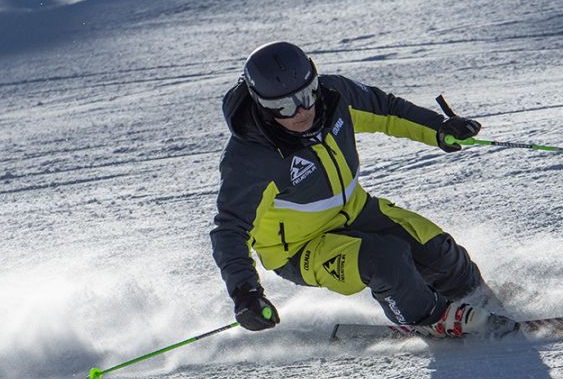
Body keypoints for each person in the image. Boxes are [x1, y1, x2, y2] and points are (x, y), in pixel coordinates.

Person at [210, 41, 515, 338]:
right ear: (261, 104)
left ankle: (477, 298)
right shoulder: (251, 159)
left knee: (438, 251)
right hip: (298, 248)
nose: (301, 111)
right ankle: (428, 317)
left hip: (356, 209)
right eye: (283, 106)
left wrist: (439, 129)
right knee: (385, 260)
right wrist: (245, 291)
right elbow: (230, 229)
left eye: (307, 94)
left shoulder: (334, 98)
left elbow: (387, 111)